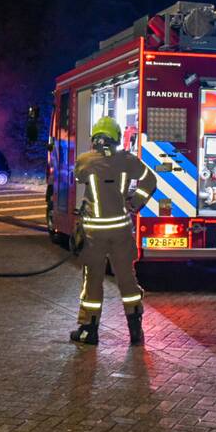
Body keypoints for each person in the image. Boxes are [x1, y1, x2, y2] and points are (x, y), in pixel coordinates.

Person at [70, 117, 158, 346]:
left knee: (93, 280)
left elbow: (78, 177)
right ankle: (136, 330)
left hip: (94, 234)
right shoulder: (128, 160)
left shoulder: (84, 161)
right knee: (127, 280)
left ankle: (89, 330)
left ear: (95, 137)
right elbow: (150, 180)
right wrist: (135, 203)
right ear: (116, 137)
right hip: (121, 230)